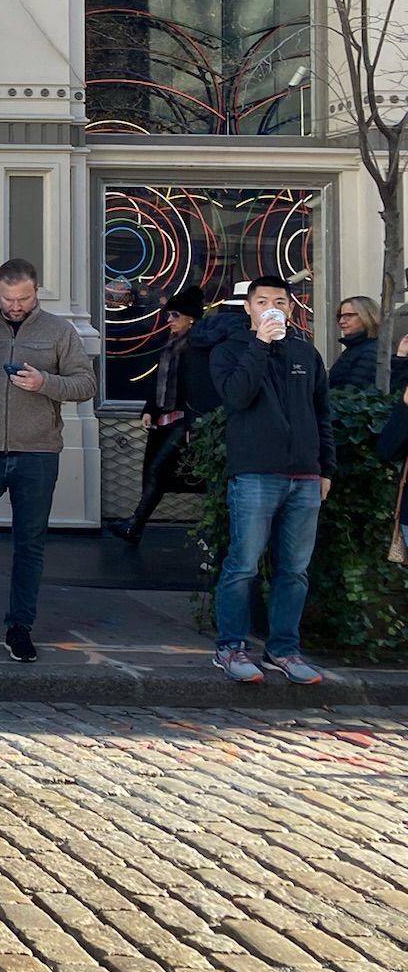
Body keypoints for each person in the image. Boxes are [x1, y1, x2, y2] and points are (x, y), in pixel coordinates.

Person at [0, 259, 99, 662]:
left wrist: (43, 383)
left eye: (24, 298)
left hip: (37, 452)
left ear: (37, 292)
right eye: (8, 298)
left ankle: (20, 627)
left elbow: (86, 384)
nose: (15, 306)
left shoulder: (58, 331)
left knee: (29, 544)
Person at [208, 274, 332, 685]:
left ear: (292, 308)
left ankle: (283, 649)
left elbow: (321, 414)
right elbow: (237, 397)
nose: (271, 307)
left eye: (280, 301)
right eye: (262, 301)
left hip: (304, 474)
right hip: (256, 471)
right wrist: (260, 343)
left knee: (294, 569)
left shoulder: (305, 353)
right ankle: (230, 647)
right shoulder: (230, 350)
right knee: (243, 564)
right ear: (249, 308)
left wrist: (324, 468)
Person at [108, 285, 213, 543]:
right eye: (169, 314)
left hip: (185, 422)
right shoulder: (173, 344)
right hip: (167, 421)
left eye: (175, 314)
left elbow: (198, 388)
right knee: (159, 473)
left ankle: (137, 525)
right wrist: (150, 409)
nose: (169, 320)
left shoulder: (199, 347)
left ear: (192, 318)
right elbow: (159, 380)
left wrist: (192, 422)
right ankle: (137, 526)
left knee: (161, 471)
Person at [329, 295, 382, 390]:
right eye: (340, 316)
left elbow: (354, 392)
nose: (341, 321)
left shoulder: (371, 350)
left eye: (348, 316)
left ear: (367, 316)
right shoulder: (354, 348)